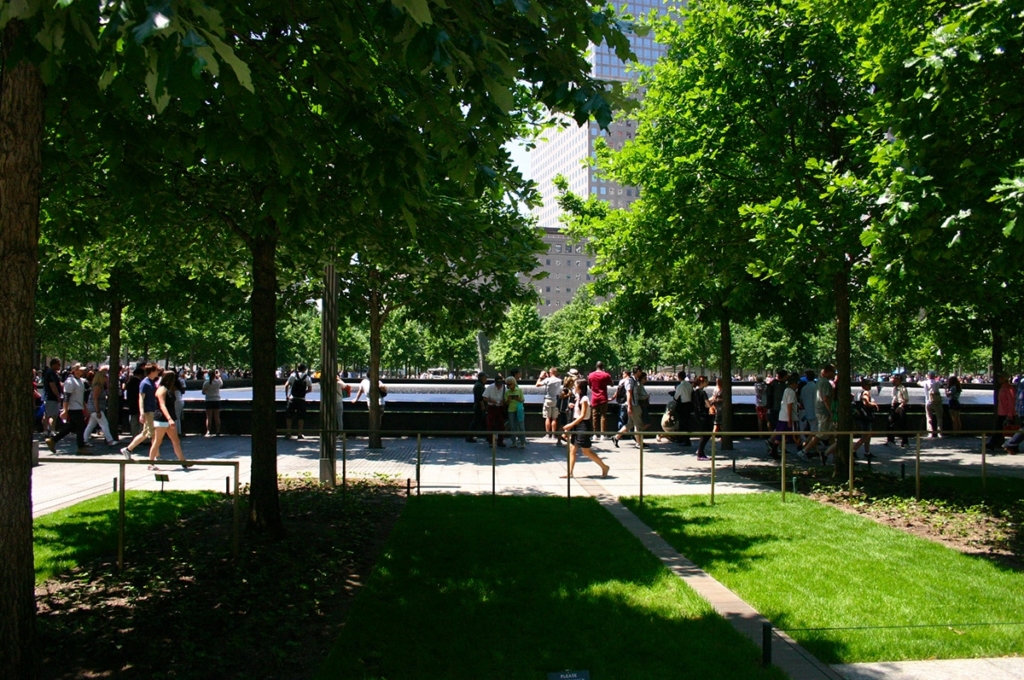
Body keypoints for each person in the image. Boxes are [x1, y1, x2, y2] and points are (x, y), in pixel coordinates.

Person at [560, 378, 609, 478]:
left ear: (580, 387)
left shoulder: (584, 399)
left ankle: (604, 467)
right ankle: (569, 473)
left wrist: (570, 425)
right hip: (576, 424)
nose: (574, 385)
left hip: (583, 425)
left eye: (575, 384)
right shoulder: (578, 397)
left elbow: (582, 416)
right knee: (572, 449)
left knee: (586, 451)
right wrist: (572, 405)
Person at [46, 363, 91, 455]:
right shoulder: (70, 382)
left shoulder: (80, 381)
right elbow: (66, 397)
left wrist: (85, 408)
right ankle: (81, 447)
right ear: (75, 370)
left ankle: (53, 440)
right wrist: (65, 410)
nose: (82, 372)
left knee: (72, 427)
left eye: (82, 370)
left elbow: (80, 397)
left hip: (78, 407)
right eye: (80, 370)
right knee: (81, 426)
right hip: (73, 408)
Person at [148, 370, 189, 471]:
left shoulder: (168, 389)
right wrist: (170, 419)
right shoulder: (162, 390)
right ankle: (151, 463)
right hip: (162, 419)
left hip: (168, 419)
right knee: (157, 441)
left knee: (176, 441)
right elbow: (162, 405)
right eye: (173, 378)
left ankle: (183, 461)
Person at [121, 363, 162, 459]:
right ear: (152, 371)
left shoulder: (151, 382)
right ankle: (155, 456)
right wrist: (142, 413)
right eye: (156, 370)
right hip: (148, 411)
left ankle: (129, 449)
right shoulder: (145, 383)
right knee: (151, 433)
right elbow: (141, 399)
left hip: (151, 410)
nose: (158, 372)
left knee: (147, 433)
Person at [802, 364, 836, 464]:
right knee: (821, 434)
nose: (834, 373)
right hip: (824, 412)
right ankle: (804, 451)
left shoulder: (820, 382)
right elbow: (826, 399)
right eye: (833, 371)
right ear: (827, 372)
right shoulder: (825, 383)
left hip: (820, 410)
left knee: (831, 435)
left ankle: (834, 455)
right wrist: (831, 412)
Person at [82, 365, 119, 448]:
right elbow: (95, 399)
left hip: (94, 408)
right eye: (105, 376)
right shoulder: (98, 386)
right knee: (104, 424)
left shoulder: (99, 386)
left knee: (91, 425)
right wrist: (98, 411)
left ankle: (84, 440)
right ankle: (110, 440)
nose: (106, 378)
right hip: (96, 409)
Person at [986, 372, 1016, 450]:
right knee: (999, 429)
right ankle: (994, 443)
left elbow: (1011, 401)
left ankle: (993, 443)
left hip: (1006, 412)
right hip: (1001, 411)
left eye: (1001, 377)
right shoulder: (1003, 387)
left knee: (1002, 429)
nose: (999, 379)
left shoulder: (1009, 388)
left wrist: (1010, 413)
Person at [852, 378, 879, 459]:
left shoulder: (860, 392)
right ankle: (853, 450)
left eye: (871, 384)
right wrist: (874, 404)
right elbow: (865, 402)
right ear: (864, 385)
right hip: (866, 417)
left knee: (868, 435)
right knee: (866, 435)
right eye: (868, 384)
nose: (870, 386)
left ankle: (867, 451)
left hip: (862, 416)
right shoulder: (866, 392)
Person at [284, 363, 313, 439]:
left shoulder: (293, 375)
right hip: (301, 399)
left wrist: (287, 395)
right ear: (304, 369)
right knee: (301, 417)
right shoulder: (307, 378)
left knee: (289, 416)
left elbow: (286, 385)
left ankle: (288, 432)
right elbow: (310, 389)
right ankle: (300, 433)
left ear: (298, 368)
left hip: (292, 399)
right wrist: (304, 392)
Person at [587, 361, 613, 439]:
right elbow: (612, 384)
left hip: (594, 398)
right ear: (602, 366)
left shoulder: (591, 375)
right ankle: (603, 434)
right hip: (603, 397)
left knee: (594, 416)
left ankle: (595, 434)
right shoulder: (606, 375)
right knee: (603, 415)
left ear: (596, 366)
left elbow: (590, 385)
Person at [536, 367, 563, 442]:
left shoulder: (547, 380)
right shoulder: (559, 380)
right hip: (555, 400)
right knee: (554, 418)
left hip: (548, 399)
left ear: (550, 372)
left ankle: (548, 434)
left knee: (548, 417)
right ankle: (554, 435)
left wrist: (541, 377)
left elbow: (537, 384)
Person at [886, 373, 911, 447]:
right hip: (894, 406)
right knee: (890, 423)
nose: (891, 380)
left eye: (893, 378)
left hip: (900, 406)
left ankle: (905, 441)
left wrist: (900, 407)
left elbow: (906, 399)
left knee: (902, 424)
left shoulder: (903, 388)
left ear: (898, 379)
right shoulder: (894, 388)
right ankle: (890, 440)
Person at [482, 374, 507, 447]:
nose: (499, 386)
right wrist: (491, 400)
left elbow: (507, 397)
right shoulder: (490, 387)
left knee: (501, 425)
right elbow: (484, 397)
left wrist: (504, 401)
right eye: (498, 384)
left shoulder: (505, 388)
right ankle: (490, 441)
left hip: (500, 408)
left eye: (500, 384)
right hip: (492, 407)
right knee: (490, 425)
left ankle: (500, 441)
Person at [692, 376, 713, 461]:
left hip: (697, 414)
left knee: (704, 433)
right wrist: (711, 404)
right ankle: (700, 453)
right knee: (706, 433)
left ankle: (700, 450)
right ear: (702, 382)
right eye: (706, 381)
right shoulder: (703, 392)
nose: (707, 382)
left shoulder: (695, 392)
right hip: (704, 415)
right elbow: (707, 404)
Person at [42, 358, 63, 438]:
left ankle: (46, 430)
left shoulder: (52, 373)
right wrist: (58, 396)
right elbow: (52, 385)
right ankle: (52, 430)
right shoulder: (51, 373)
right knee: (53, 414)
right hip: (51, 397)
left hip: (49, 396)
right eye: (58, 364)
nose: (59, 366)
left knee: (48, 414)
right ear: (53, 364)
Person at [672, 370, 693, 447]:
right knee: (687, 422)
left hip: (683, 405)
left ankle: (683, 439)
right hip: (689, 405)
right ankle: (686, 439)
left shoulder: (680, 386)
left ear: (679, 377)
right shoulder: (689, 385)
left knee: (682, 423)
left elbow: (676, 397)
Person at [505, 375, 525, 448]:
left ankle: (523, 442)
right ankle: (514, 442)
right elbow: (506, 403)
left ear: (514, 383)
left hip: (519, 409)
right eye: (507, 384)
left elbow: (523, 400)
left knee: (521, 426)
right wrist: (508, 400)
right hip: (511, 410)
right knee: (512, 426)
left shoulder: (519, 390)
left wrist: (518, 399)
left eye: (510, 384)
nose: (508, 386)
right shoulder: (507, 392)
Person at [466, 372, 487, 442]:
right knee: (476, 422)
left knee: (481, 422)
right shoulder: (479, 386)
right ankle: (469, 437)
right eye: (485, 377)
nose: (486, 379)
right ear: (481, 377)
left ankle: (488, 436)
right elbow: (480, 397)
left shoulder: (479, 385)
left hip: (478, 406)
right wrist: (483, 406)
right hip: (479, 407)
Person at [922, 370, 944, 438]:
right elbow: (942, 384)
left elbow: (918, 383)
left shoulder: (925, 382)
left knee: (929, 417)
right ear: (934, 376)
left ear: (928, 376)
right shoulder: (937, 382)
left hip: (928, 402)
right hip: (936, 401)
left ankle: (930, 433)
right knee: (939, 417)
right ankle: (939, 433)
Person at [202, 368, 224, 436]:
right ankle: (218, 431)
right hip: (217, 400)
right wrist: (219, 376)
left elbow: (203, 392)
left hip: (209, 400)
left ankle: (208, 431)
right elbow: (221, 383)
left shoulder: (206, 382)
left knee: (209, 417)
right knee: (217, 417)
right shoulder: (218, 382)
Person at [124, 366, 144, 438]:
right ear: (140, 374)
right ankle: (141, 437)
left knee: (134, 421)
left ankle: (135, 435)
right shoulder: (140, 383)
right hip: (138, 403)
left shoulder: (129, 382)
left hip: (132, 403)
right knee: (141, 422)